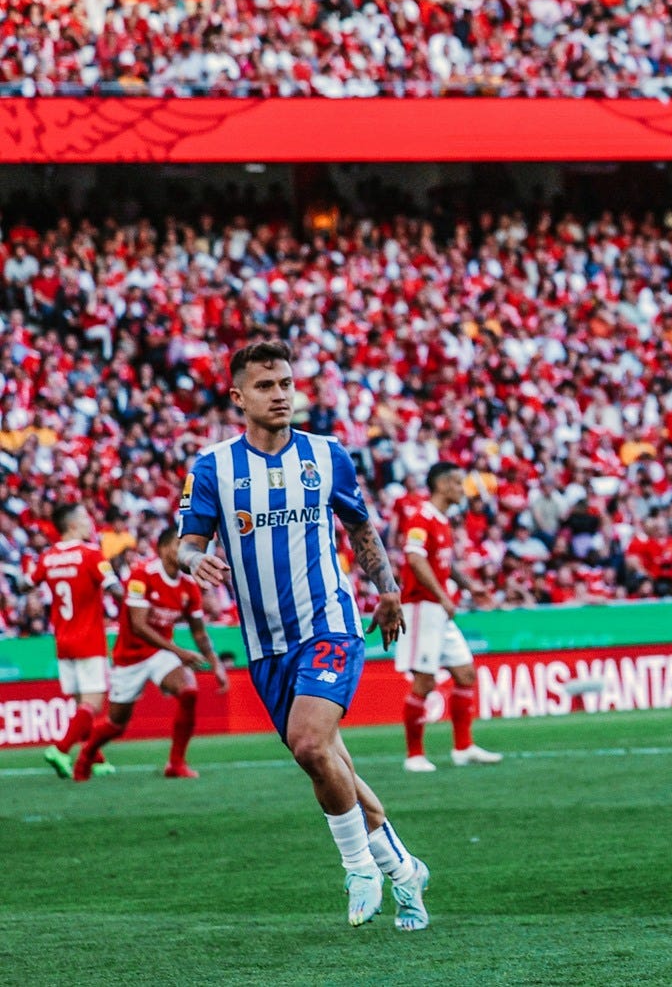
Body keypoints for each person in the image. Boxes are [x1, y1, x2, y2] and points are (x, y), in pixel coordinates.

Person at [177, 339, 433, 930]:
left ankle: (358, 867)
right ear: (239, 397)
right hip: (266, 644)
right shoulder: (213, 467)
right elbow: (189, 541)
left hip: (329, 623)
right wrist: (195, 562)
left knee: (312, 744)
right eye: (266, 386)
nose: (281, 394)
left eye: (287, 383)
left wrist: (388, 589)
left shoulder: (327, 455)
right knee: (328, 764)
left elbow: (361, 529)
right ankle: (402, 870)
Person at [71, 526, 230, 780]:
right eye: (182, 547)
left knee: (188, 690)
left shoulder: (189, 585)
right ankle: (88, 752)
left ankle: (175, 764)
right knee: (116, 724)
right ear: (166, 549)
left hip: (160, 652)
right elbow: (139, 626)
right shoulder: (142, 574)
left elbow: (199, 632)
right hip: (130, 656)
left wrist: (216, 665)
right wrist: (180, 651)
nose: (188, 554)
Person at [396, 461, 502, 773]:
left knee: (466, 673)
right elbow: (414, 558)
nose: (461, 489)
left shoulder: (441, 520)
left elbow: (443, 563)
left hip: (440, 611)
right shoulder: (421, 517)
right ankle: (414, 755)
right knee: (425, 681)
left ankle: (463, 747)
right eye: (457, 483)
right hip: (422, 608)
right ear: (441, 485)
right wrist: (443, 596)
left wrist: (471, 586)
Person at [30, 502, 120, 780]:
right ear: (71, 525)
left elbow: (27, 583)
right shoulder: (91, 554)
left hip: (64, 641)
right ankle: (60, 749)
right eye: (84, 517)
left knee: (83, 704)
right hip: (89, 638)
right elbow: (115, 588)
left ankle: (95, 759)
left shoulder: (47, 556)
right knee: (92, 704)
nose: (89, 522)